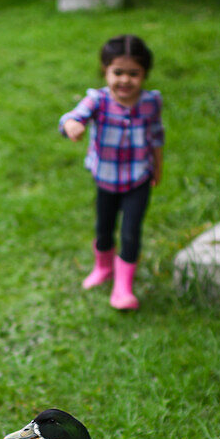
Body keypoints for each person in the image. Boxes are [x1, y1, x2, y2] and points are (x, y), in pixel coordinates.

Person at [59, 34, 164, 311]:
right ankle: (103, 268)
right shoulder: (98, 100)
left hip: (138, 178)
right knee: (103, 229)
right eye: (117, 72)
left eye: (134, 73)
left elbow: (156, 136)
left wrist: (158, 167)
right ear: (105, 70)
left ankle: (122, 288)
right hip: (105, 179)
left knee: (131, 232)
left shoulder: (151, 102)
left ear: (144, 74)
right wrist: (71, 125)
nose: (125, 80)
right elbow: (74, 115)